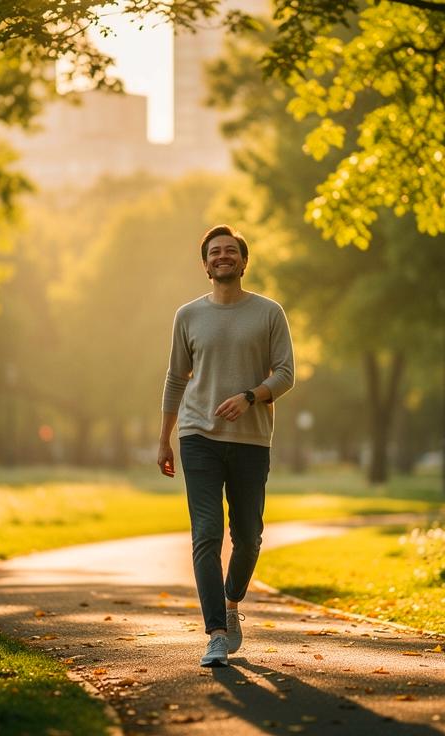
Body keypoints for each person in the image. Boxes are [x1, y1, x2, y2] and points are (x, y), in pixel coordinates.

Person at [157, 224, 295, 668]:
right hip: (198, 435)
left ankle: (232, 601)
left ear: (243, 260)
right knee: (206, 533)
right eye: (214, 252)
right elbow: (176, 378)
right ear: (205, 264)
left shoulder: (269, 312)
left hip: (251, 438)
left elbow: (286, 374)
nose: (222, 256)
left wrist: (251, 396)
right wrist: (164, 438)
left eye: (230, 250)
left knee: (249, 538)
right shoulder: (188, 315)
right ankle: (216, 633)